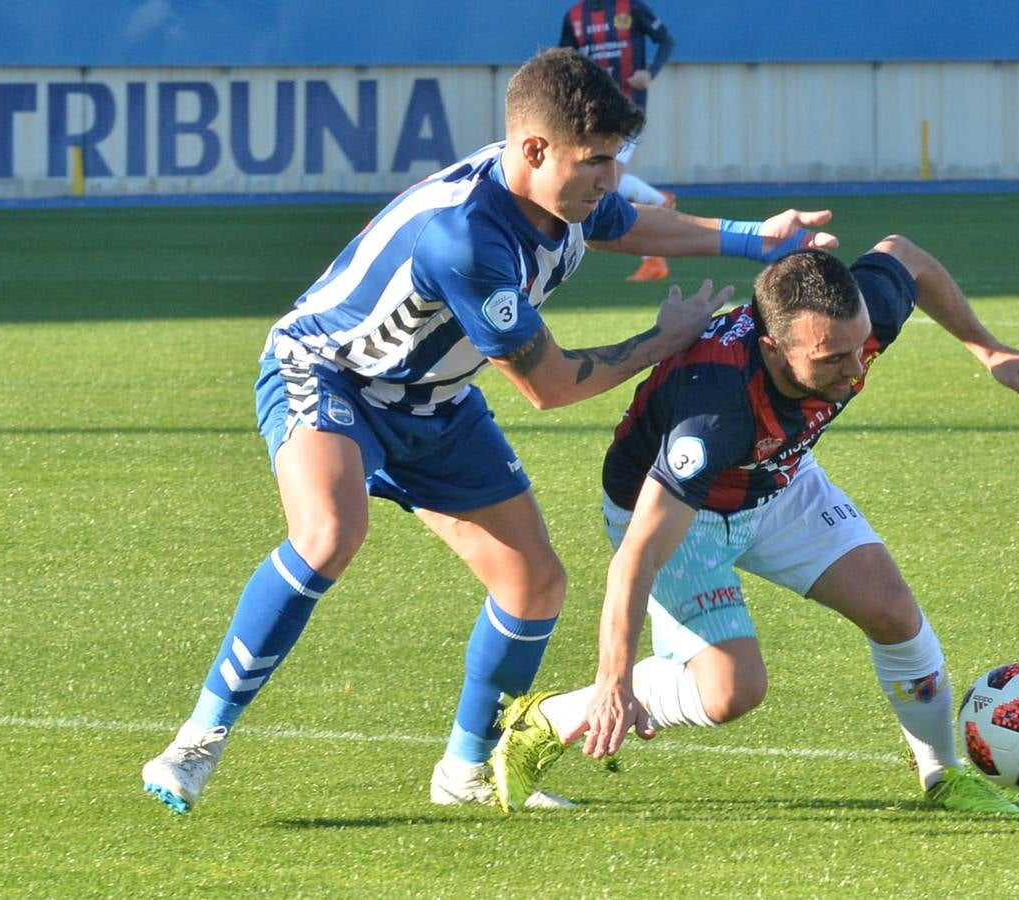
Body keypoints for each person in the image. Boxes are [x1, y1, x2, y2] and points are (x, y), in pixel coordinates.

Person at [139, 47, 839, 815]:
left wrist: (755, 237)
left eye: (613, 160)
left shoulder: (557, 193)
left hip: (433, 400)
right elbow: (550, 386)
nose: (608, 178)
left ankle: (465, 773)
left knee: (534, 582)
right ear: (534, 149)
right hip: (331, 374)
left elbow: (631, 225)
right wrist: (659, 340)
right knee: (331, 533)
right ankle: (196, 742)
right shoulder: (467, 240)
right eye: (595, 161)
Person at [490, 241, 1019, 814]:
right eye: (832, 358)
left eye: (860, 347)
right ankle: (545, 720)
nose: (856, 368)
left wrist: (989, 351)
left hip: (778, 476)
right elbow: (637, 556)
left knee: (892, 611)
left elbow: (905, 256)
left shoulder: (852, 321)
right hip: (682, 510)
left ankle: (942, 776)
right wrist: (614, 683)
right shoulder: (713, 413)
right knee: (733, 691)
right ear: (772, 347)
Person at [560, 0, 678, 282]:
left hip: (627, 109)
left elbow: (666, 40)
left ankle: (654, 255)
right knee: (599, 177)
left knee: (606, 175)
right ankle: (657, 201)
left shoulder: (630, 8)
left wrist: (649, 72)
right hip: (590, 112)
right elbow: (564, 63)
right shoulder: (574, 16)